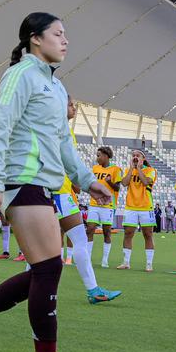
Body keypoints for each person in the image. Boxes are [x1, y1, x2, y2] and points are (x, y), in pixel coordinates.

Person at [0, 11, 114, 352]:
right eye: (58, 34)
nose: (65, 40)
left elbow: (61, 142)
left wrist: (86, 180)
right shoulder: (22, 75)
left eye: (66, 34)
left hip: (44, 183)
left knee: (45, 268)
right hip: (19, 180)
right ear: (34, 39)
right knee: (49, 269)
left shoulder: (56, 87)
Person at [54, 98, 120, 303]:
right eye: (70, 104)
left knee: (67, 243)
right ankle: (34, 290)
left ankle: (93, 291)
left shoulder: (64, 131)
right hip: (55, 193)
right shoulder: (55, 129)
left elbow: (71, 166)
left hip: (62, 193)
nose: (74, 107)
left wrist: (86, 186)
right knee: (52, 248)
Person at [118, 148, 157, 271]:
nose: (135, 157)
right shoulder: (127, 170)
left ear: (143, 158)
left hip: (146, 206)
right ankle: (126, 262)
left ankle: (149, 264)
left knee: (148, 234)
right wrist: (131, 168)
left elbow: (145, 182)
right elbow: (124, 183)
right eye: (133, 155)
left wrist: (139, 168)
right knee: (128, 233)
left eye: (138, 155)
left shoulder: (151, 170)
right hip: (131, 206)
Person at [85, 146, 122, 268]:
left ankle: (105, 260)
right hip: (94, 203)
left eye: (99, 155)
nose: (97, 158)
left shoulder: (116, 169)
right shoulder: (95, 168)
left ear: (106, 156)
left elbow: (117, 188)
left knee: (107, 232)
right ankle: (88, 259)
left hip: (108, 205)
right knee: (90, 229)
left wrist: (110, 181)